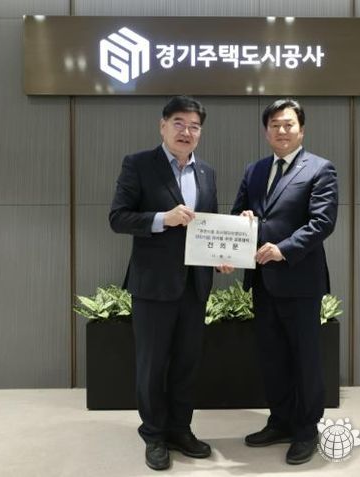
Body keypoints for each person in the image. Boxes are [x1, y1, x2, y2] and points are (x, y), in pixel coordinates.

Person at [109, 95, 228, 471]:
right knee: (152, 365)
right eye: (178, 123)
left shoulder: (206, 172)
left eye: (194, 126)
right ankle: (154, 435)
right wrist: (163, 218)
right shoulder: (138, 164)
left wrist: (221, 256)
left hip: (195, 286)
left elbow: (209, 225)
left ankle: (180, 429)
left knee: (186, 363)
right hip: (153, 286)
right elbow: (118, 217)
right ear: (162, 126)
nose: (186, 132)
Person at [230, 98, 338, 465]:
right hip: (263, 280)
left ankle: (306, 430)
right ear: (266, 132)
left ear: (301, 130)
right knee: (272, 355)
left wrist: (283, 249)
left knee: (305, 357)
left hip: (300, 280)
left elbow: (322, 223)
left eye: (288, 124)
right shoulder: (255, 170)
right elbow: (237, 214)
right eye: (275, 124)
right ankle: (279, 421)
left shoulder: (320, 169)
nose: (282, 130)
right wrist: (243, 218)